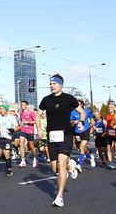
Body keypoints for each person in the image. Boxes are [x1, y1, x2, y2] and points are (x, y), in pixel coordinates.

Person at [38, 74, 84, 207]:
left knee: (62, 164)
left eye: (54, 83)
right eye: (50, 84)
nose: (51, 86)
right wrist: (39, 128)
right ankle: (72, 166)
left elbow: (82, 113)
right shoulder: (46, 100)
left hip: (66, 135)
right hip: (52, 136)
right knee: (55, 168)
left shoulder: (69, 99)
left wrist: (80, 122)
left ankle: (60, 196)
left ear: (60, 85)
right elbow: (38, 115)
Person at [71, 99, 94, 172]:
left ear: (82, 105)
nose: (78, 106)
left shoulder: (87, 111)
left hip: (85, 131)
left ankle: (79, 165)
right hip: (77, 132)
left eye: (79, 104)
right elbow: (70, 122)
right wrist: (74, 122)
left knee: (81, 146)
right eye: (76, 104)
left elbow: (92, 119)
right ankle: (90, 157)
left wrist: (92, 125)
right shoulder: (72, 112)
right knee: (79, 147)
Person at [19, 100, 38, 168]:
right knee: (21, 143)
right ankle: (23, 160)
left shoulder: (31, 112)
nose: (22, 106)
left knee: (31, 146)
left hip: (30, 131)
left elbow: (35, 121)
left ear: (26, 105)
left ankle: (35, 159)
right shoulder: (21, 113)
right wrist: (21, 125)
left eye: (23, 105)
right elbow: (21, 121)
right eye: (21, 105)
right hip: (23, 131)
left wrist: (28, 122)